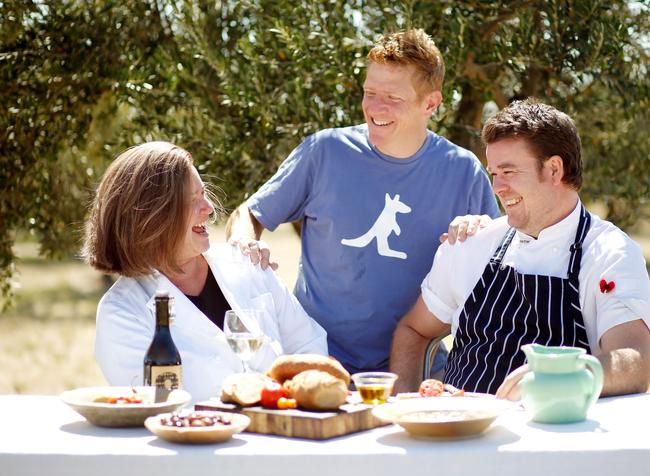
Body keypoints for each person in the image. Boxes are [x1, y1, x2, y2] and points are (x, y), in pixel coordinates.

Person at [226, 28, 500, 375]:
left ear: (430, 103)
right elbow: (249, 213)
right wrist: (243, 240)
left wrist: (478, 235)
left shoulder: (463, 171)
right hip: (316, 362)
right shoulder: (323, 151)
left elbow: (498, 265)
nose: (375, 107)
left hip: (419, 368)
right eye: (370, 92)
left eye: (392, 98)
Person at [390, 99, 650, 398]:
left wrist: (562, 375)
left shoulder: (608, 253)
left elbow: (636, 361)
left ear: (554, 170)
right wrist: (404, 406)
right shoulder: (470, 243)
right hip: (457, 432)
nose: (497, 187)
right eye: (494, 173)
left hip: (552, 437)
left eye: (509, 172)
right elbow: (413, 330)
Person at [83, 141, 327, 402]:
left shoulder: (249, 264)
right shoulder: (121, 313)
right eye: (192, 200)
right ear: (152, 217)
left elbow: (309, 347)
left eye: (204, 193)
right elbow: (155, 407)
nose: (209, 208)